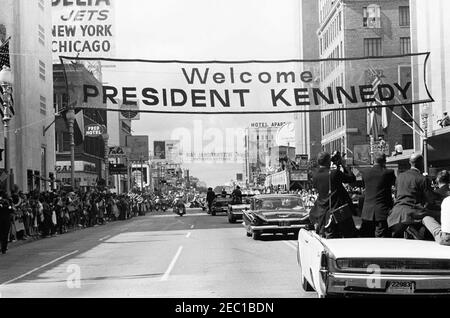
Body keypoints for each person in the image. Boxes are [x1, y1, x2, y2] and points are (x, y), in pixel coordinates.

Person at [309, 151, 357, 239]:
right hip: (339, 210)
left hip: (323, 210)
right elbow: (352, 178)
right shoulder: (334, 173)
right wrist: (343, 164)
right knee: (349, 236)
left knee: (330, 237)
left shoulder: (315, 175)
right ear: (328, 161)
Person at [387, 154, 437, 238]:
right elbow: (430, 200)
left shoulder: (400, 177)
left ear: (410, 162)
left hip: (396, 216)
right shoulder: (423, 179)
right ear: (421, 163)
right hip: (414, 215)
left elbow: (396, 196)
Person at [360, 152, 396, 238]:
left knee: (367, 238)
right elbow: (395, 184)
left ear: (373, 160)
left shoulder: (365, 172)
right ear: (384, 161)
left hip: (367, 212)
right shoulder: (389, 173)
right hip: (382, 212)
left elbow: (365, 187)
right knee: (381, 239)